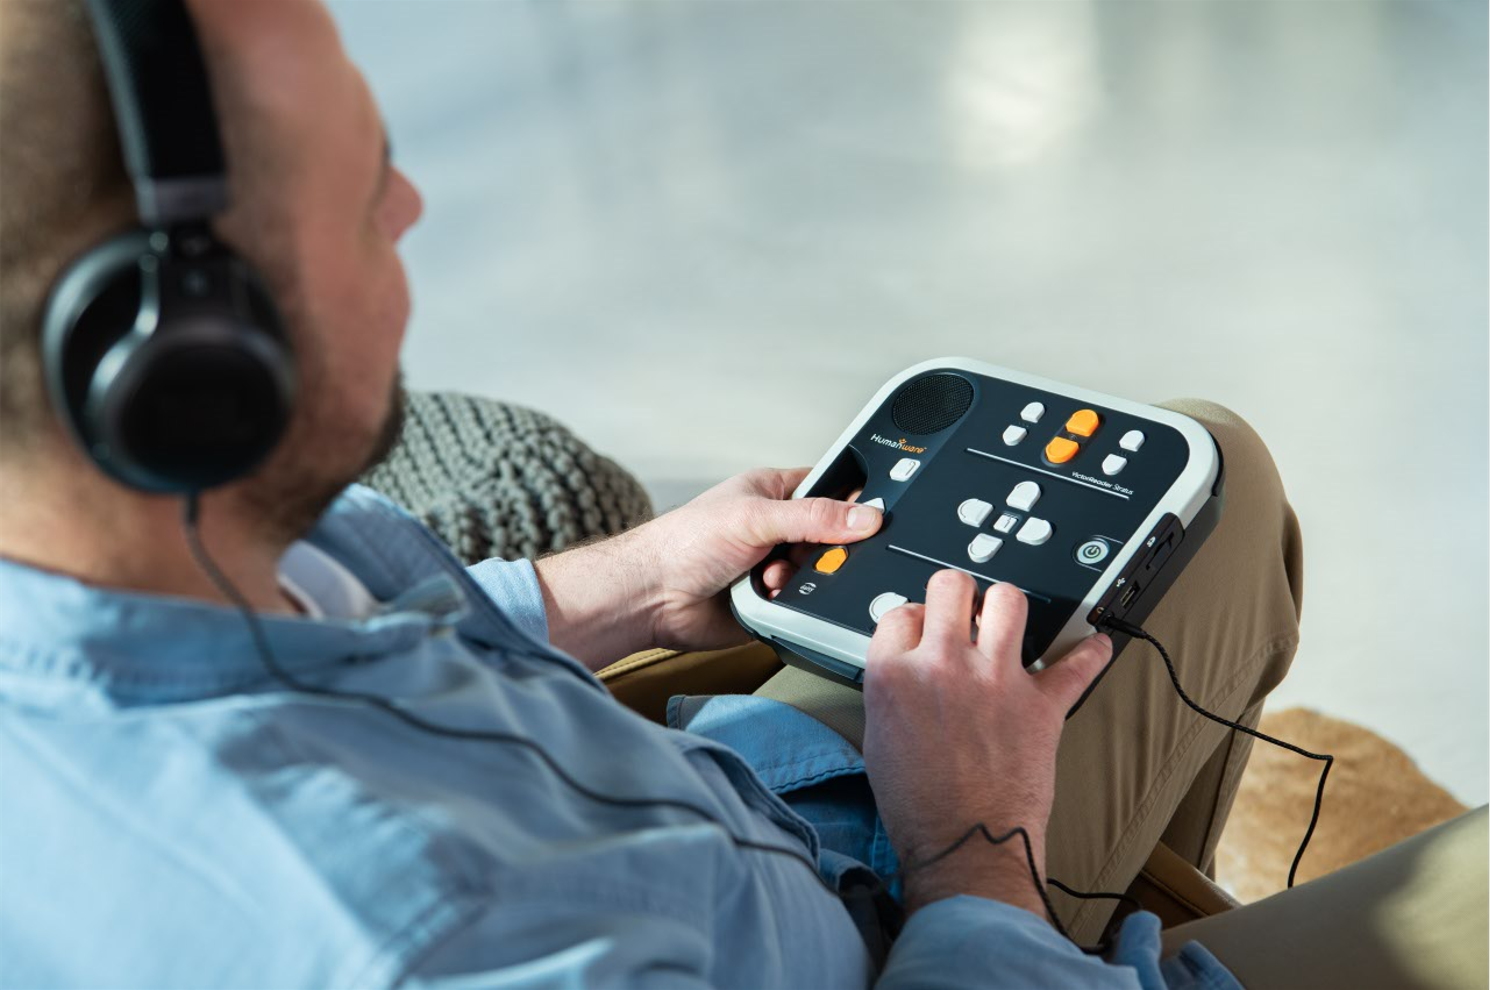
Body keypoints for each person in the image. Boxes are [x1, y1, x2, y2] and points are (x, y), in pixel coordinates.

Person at [3, 2, 1483, 989]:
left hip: (769, 820)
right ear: (193, 356)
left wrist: (626, 582)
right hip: (921, 923)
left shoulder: (125, 527)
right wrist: (976, 846)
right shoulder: (426, 936)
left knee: (1197, 475)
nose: (411, 208)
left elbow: (374, 599)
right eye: (363, 185)